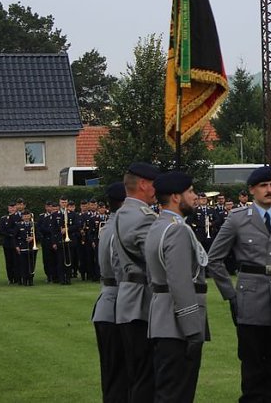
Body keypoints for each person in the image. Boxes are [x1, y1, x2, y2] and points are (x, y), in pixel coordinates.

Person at [207, 166, 271, 403]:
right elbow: (214, 259)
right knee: (253, 367)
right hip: (250, 300)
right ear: (252, 190)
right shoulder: (237, 219)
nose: (269, 190)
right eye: (264, 186)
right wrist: (230, 294)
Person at [145, 171, 209, 403]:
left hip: (162, 319)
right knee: (177, 394)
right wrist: (193, 329)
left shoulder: (158, 225)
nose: (195, 197)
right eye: (190, 191)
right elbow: (180, 282)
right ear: (175, 196)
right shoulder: (177, 229)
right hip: (177, 326)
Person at [112, 162, 161, 402]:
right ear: (143, 184)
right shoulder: (143, 217)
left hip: (127, 298)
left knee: (135, 374)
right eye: (154, 184)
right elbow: (155, 262)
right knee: (145, 376)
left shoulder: (122, 213)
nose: (157, 189)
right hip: (141, 303)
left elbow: (115, 264)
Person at [92, 182, 129, 403]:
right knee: (119, 377)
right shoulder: (120, 229)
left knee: (113, 375)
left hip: (108, 302)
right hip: (118, 303)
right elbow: (121, 269)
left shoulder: (108, 226)